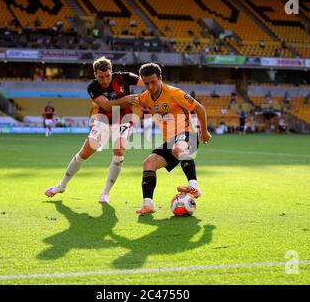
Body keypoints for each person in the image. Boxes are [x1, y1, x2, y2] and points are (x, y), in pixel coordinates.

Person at [44, 56, 144, 203]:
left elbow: (148, 83)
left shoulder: (125, 77)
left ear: (112, 71)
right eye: (101, 76)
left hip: (124, 121)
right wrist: (126, 99)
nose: (105, 80)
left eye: (108, 75)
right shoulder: (92, 87)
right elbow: (107, 106)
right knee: (83, 154)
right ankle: (61, 185)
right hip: (103, 122)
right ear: (95, 74)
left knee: (119, 153)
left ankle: (105, 193)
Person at [135, 63, 212, 214]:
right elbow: (130, 101)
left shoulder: (174, 93)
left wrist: (204, 131)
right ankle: (148, 203)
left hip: (187, 134)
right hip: (169, 141)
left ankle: (194, 185)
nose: (150, 86)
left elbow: (199, 108)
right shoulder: (145, 97)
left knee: (179, 148)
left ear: (160, 78)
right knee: (148, 162)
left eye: (153, 82)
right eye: (146, 83)